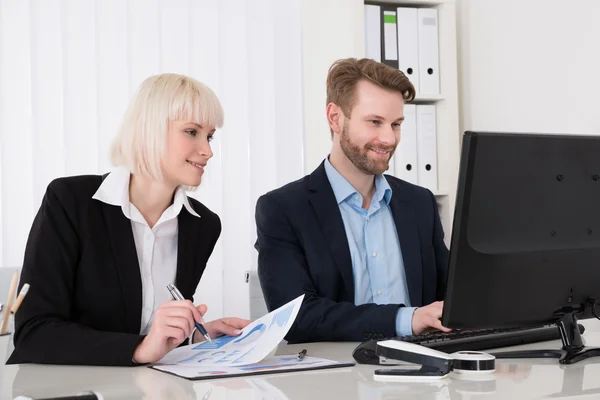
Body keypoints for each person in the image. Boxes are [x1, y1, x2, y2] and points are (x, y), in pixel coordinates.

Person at [8, 73, 250, 366]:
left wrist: (193, 336)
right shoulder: (70, 201)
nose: (208, 151)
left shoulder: (202, 225)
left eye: (209, 136)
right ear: (150, 131)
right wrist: (139, 350)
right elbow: (35, 333)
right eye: (191, 132)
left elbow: (141, 328)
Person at [255, 58, 450, 343]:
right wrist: (406, 319)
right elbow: (296, 317)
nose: (388, 138)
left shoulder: (419, 203)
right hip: (338, 378)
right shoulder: (283, 209)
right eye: (374, 122)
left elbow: (452, 296)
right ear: (335, 118)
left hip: (425, 372)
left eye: (396, 124)